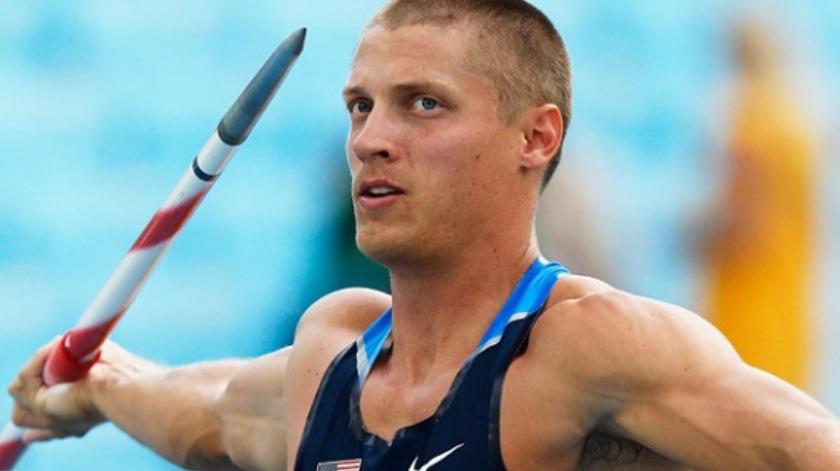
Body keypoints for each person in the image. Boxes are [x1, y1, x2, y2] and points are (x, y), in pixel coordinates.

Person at [8, 1, 840, 470]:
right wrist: (99, 387)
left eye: (423, 103)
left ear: (536, 136)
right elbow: (216, 412)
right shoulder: (331, 350)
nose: (371, 138)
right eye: (359, 106)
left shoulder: (588, 347)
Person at [705, 19, 819, 391]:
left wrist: (696, 235)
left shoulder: (752, 125)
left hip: (749, 304)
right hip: (788, 296)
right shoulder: (797, 123)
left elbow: (744, 229)